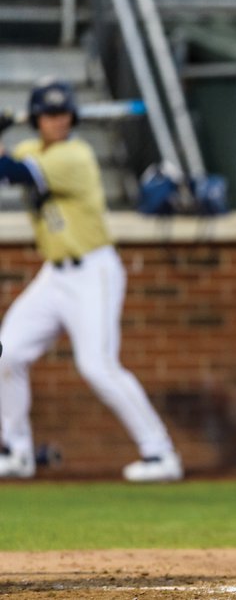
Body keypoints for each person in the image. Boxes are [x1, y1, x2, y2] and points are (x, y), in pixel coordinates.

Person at [0, 78, 182, 482]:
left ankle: (161, 454)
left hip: (93, 271)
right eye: (48, 114)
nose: (57, 121)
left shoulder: (76, 156)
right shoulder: (31, 149)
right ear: (36, 118)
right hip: (54, 274)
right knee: (7, 352)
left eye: (62, 113)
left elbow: (13, 171)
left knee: (97, 366)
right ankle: (17, 451)